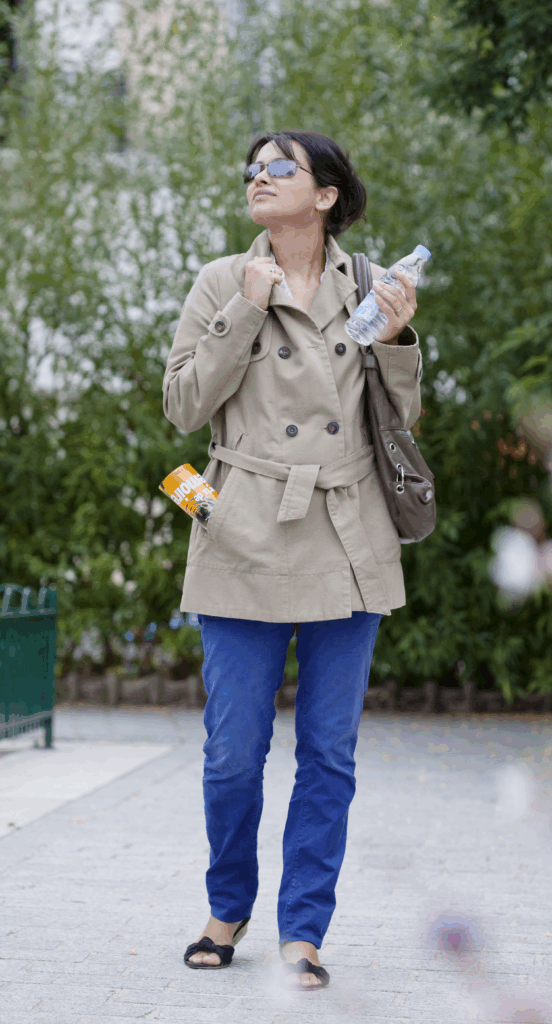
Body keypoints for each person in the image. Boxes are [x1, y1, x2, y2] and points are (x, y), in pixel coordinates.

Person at [162, 129, 423, 989]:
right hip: (243, 529)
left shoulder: (370, 286)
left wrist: (398, 340)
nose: (258, 178)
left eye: (280, 168)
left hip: (348, 534)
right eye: (252, 169)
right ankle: (227, 905)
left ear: (325, 194)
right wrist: (244, 309)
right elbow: (182, 406)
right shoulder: (221, 281)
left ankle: (303, 930)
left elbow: (398, 426)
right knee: (232, 751)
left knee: (328, 754)